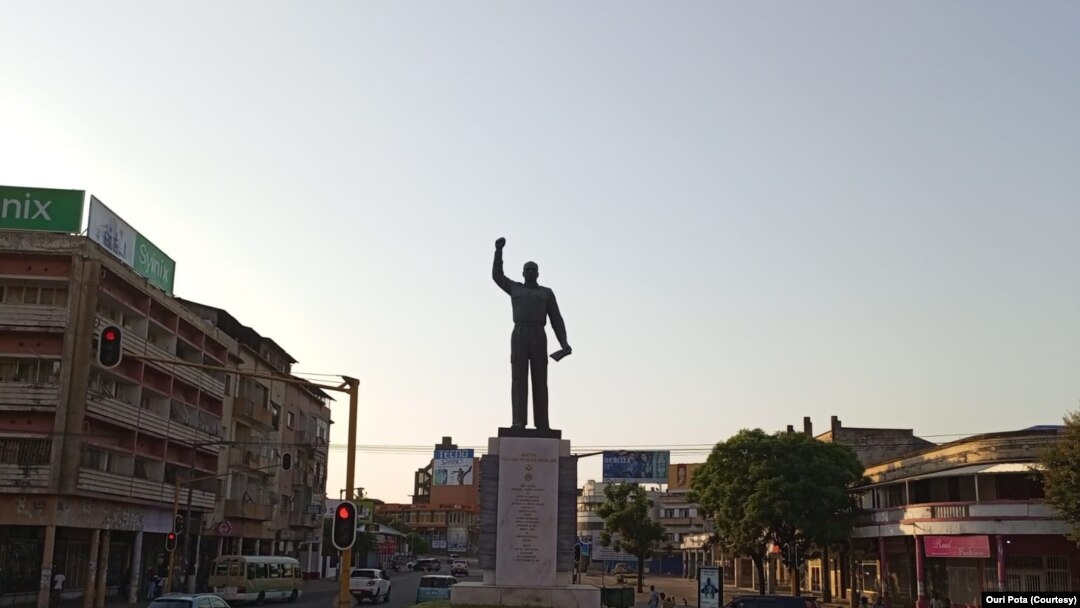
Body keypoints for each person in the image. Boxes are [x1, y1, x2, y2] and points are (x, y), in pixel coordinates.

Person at [491, 237, 571, 430]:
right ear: (523, 273)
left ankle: (542, 423)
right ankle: (518, 421)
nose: (530, 272)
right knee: (518, 379)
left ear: (538, 273)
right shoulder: (515, 288)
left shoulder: (546, 293)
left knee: (540, 379)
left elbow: (556, 319)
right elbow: (497, 276)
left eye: (533, 269)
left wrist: (564, 342)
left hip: (538, 334)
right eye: (527, 269)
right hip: (519, 333)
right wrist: (498, 252)